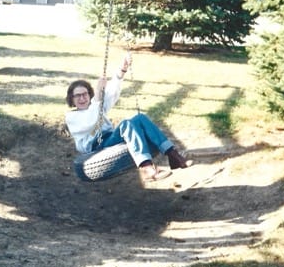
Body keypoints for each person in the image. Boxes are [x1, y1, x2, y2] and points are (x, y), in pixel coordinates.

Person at [65, 53, 192, 182]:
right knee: (126, 124)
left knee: (140, 118)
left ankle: (173, 155)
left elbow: (111, 93)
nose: (82, 98)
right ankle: (146, 168)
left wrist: (122, 70)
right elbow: (91, 121)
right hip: (96, 145)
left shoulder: (96, 104)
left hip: (109, 138)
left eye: (85, 94)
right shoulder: (72, 117)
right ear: (71, 99)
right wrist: (98, 92)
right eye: (77, 96)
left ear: (89, 95)